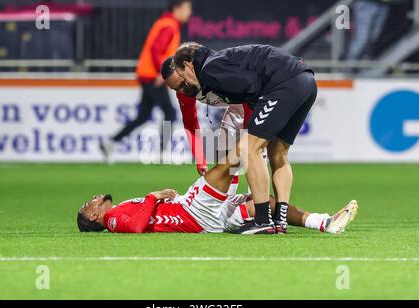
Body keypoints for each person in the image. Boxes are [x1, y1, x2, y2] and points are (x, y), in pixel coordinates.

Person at [173, 42, 317, 234]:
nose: (187, 83)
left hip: (283, 84)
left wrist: (255, 126)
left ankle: (263, 220)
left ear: (189, 64)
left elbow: (251, 87)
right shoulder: (221, 60)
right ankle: (280, 220)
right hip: (306, 80)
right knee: (278, 153)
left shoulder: (209, 69)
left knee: (249, 149)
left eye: (183, 77)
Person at [76, 162, 358, 234]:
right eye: (88, 203)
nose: (93, 198)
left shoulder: (119, 208)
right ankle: (256, 134)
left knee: (268, 203)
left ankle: (323, 223)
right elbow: (137, 227)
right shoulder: (112, 218)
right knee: (229, 162)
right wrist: (154, 196)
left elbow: (144, 218)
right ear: (92, 216)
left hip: (195, 211)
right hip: (193, 214)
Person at [100, 0, 193, 163]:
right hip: (152, 76)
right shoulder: (169, 25)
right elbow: (156, 50)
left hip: (147, 74)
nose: (189, 12)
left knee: (143, 116)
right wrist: (163, 72)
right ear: (177, 8)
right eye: (187, 8)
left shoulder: (166, 23)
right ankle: (162, 154)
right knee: (170, 113)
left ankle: (111, 142)